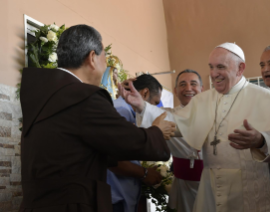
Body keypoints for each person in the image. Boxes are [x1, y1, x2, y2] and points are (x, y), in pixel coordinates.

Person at [19, 24, 175, 212]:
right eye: (105, 58)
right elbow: (127, 141)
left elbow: (80, 148)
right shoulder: (83, 96)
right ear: (92, 58)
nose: (105, 67)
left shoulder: (47, 93)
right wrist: (157, 131)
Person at [121, 42, 270, 212]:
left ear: (240, 68)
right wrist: (142, 106)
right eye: (211, 67)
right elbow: (175, 121)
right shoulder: (203, 100)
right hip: (212, 187)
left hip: (251, 188)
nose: (213, 73)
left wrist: (261, 140)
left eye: (220, 67)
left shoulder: (265, 97)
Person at [135, 69, 204, 212]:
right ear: (176, 90)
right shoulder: (167, 114)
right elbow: (149, 114)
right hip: (182, 186)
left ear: (202, 89)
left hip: (213, 184)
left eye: (193, 84)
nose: (188, 88)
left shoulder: (215, 112)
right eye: (183, 84)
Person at [107, 74, 164, 212]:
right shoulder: (122, 111)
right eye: (155, 103)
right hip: (116, 198)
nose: (155, 109)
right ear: (145, 93)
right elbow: (113, 160)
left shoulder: (125, 111)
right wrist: (144, 174)